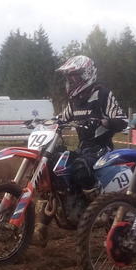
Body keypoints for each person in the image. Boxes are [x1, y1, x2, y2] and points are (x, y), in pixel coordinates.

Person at [31, 55, 127, 246]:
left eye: (75, 76)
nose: (71, 80)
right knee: (52, 167)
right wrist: (41, 122)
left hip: (102, 149)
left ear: (87, 74)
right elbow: (61, 119)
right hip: (83, 148)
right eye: (69, 77)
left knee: (81, 167)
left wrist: (102, 121)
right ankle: (40, 229)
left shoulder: (103, 94)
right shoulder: (75, 100)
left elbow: (122, 120)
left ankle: (98, 209)